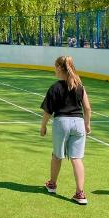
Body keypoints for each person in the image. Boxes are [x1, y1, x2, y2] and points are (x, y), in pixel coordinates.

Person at [40, 56, 92, 205]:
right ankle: (80, 193)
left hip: (62, 122)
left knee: (57, 156)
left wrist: (43, 126)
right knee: (76, 158)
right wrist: (87, 124)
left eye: (55, 67)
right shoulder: (79, 86)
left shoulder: (55, 87)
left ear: (59, 68)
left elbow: (48, 111)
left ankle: (52, 184)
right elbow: (87, 108)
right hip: (79, 123)